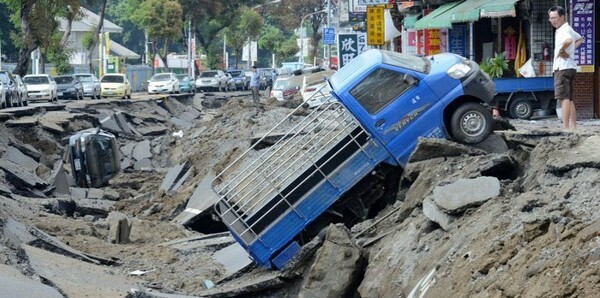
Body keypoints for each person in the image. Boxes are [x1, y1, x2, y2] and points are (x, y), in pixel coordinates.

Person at [549, 6, 583, 129]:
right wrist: (571, 50)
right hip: (570, 67)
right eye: (551, 18)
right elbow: (579, 39)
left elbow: (569, 40)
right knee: (569, 99)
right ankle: (573, 127)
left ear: (562, 17)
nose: (552, 20)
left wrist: (563, 50)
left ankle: (565, 127)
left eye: (555, 18)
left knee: (563, 98)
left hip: (562, 68)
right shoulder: (568, 28)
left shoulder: (564, 30)